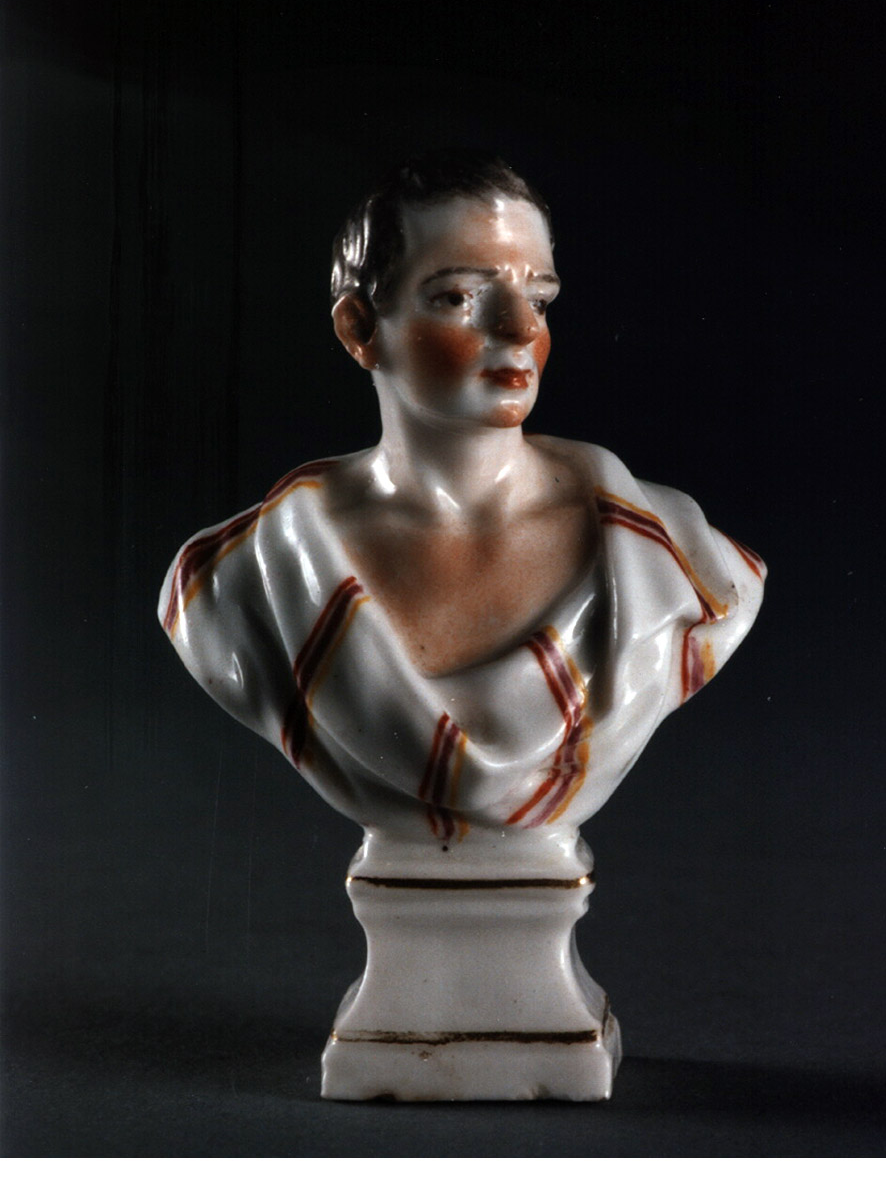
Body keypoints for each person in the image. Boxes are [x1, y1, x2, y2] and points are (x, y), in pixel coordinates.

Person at [159, 150, 765, 851]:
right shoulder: (235, 581)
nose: (519, 328)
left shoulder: (679, 563)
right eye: (458, 297)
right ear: (359, 329)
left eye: (539, 298)